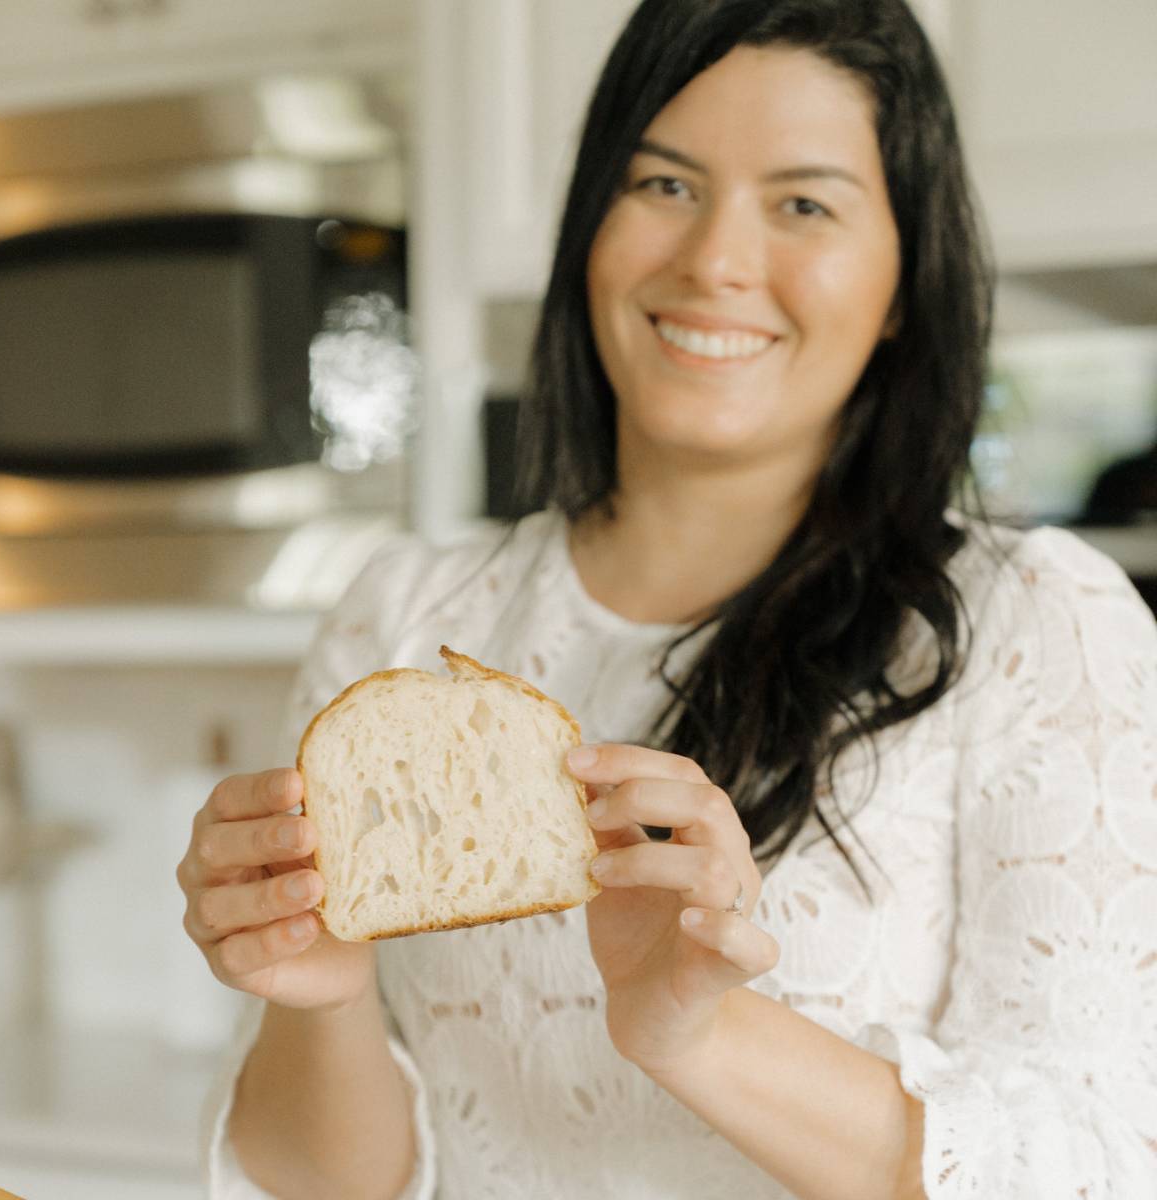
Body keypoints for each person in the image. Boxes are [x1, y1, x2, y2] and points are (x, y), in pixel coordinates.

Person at [177, 1, 1157, 1196]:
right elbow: (318, 1186)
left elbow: (1100, 1166)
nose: (715, 263)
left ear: (905, 277)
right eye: (663, 184)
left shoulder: (1036, 621)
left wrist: (697, 1031)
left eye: (804, 204)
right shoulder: (405, 614)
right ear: (592, 220)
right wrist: (319, 995)